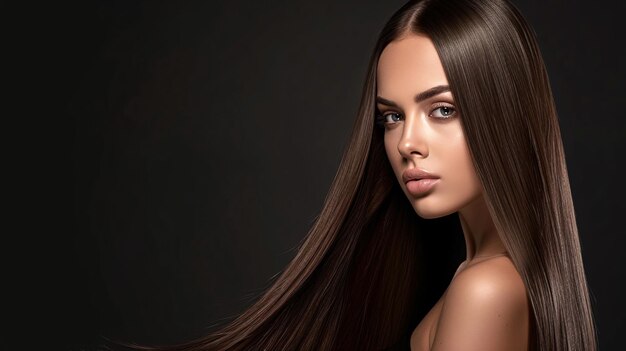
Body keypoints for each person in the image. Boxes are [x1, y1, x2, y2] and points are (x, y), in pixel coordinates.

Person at [147, 0, 597, 349]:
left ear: (507, 113)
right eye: (392, 117)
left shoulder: (486, 289)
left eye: (442, 109)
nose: (406, 144)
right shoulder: (493, 273)